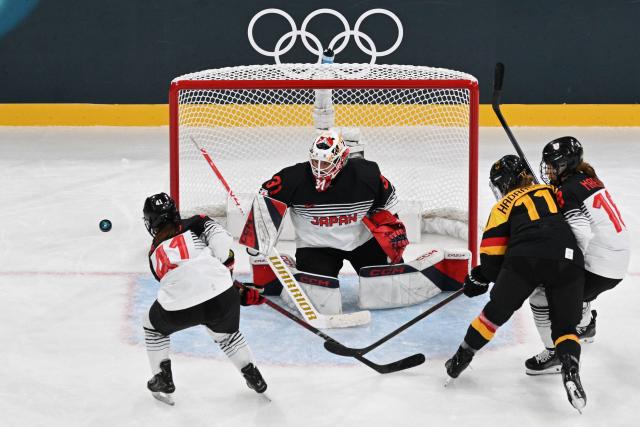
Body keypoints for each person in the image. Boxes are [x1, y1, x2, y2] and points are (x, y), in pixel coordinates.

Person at [445, 155, 587, 411]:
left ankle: (462, 356)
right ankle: (570, 369)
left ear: (503, 184)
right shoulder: (553, 191)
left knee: (494, 314)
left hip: (525, 259)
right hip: (569, 258)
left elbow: (491, 261)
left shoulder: (504, 205)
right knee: (566, 327)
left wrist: (479, 276)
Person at [142, 192, 266, 405]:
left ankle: (163, 376)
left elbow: (183, 279)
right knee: (227, 336)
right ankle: (252, 373)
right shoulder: (198, 222)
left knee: (152, 326)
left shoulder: (154, 252)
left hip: (179, 306)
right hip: (221, 295)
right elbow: (222, 247)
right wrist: (235, 292)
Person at [526, 136, 630, 375]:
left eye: (552, 164)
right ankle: (584, 326)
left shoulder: (567, 189)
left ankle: (553, 352)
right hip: (617, 262)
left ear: (564, 165)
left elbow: (580, 232)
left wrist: (566, 264)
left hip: (601, 266)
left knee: (541, 293)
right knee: (576, 285)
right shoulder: (587, 180)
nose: (548, 169)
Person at [257, 128, 409, 280]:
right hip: (316, 246)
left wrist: (392, 234)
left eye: (325, 163)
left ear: (341, 159)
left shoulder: (367, 175)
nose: (318, 168)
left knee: (387, 286)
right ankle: (292, 266)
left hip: (362, 242)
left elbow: (387, 205)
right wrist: (259, 242)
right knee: (319, 298)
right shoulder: (292, 178)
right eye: (315, 161)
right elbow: (264, 201)